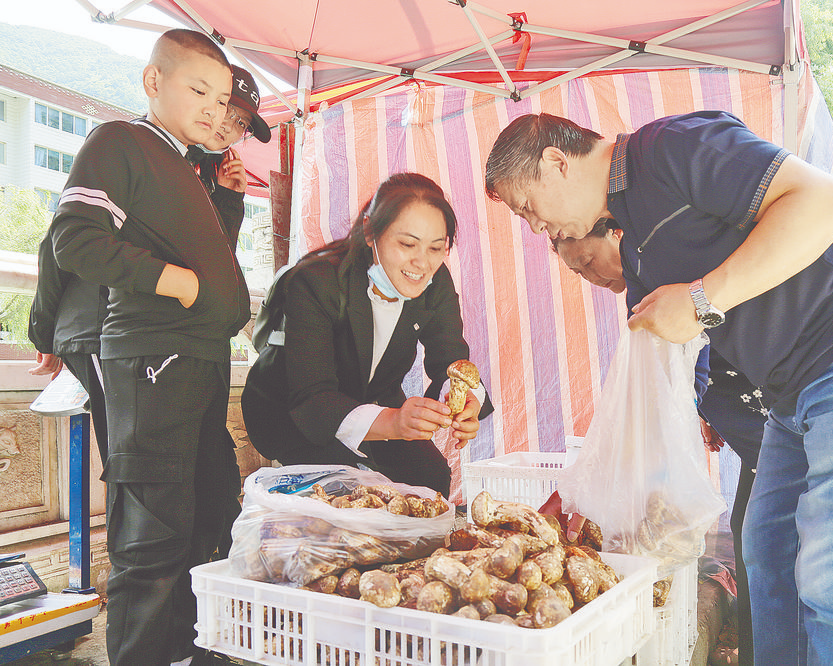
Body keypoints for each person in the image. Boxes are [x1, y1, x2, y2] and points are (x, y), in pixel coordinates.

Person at [485, 111, 833, 665]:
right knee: (769, 554)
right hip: (792, 388)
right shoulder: (635, 246)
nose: (537, 228)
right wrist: (595, 490)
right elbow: (655, 382)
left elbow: (826, 200)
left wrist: (702, 299)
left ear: (557, 162)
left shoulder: (669, 148)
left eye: (528, 209)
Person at [47, 28, 247, 666]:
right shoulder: (121, 141)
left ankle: (183, 652)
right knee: (151, 536)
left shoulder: (186, 164)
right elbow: (73, 238)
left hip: (199, 360)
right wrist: (175, 282)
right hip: (152, 359)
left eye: (222, 100)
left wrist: (226, 207)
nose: (213, 110)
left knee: (204, 516)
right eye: (199, 91)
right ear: (153, 81)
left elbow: (199, 252)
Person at [27, 65, 270, 470]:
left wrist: (228, 201)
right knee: (136, 469)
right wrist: (45, 332)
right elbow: (63, 242)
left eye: (240, 122)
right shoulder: (129, 145)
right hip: (101, 330)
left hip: (161, 339)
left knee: (175, 471)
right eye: (224, 107)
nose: (227, 125)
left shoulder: (198, 172)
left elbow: (213, 268)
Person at [552, 221, 762, 666]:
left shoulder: (665, 263)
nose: (590, 277)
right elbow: (674, 376)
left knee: (766, 543)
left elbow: (692, 353)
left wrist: (694, 406)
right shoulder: (640, 288)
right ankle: (757, 649)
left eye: (588, 260)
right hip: (754, 439)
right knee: (752, 538)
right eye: (577, 272)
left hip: (778, 424)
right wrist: (703, 409)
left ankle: (768, 648)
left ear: (617, 233)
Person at [242, 172, 492, 497]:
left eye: (436, 247)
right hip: (296, 410)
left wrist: (467, 399)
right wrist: (394, 422)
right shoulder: (316, 281)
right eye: (407, 244)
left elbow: (451, 359)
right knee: (345, 488)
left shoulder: (434, 279)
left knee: (429, 477)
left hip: (374, 399)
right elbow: (313, 398)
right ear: (370, 231)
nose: (422, 263)